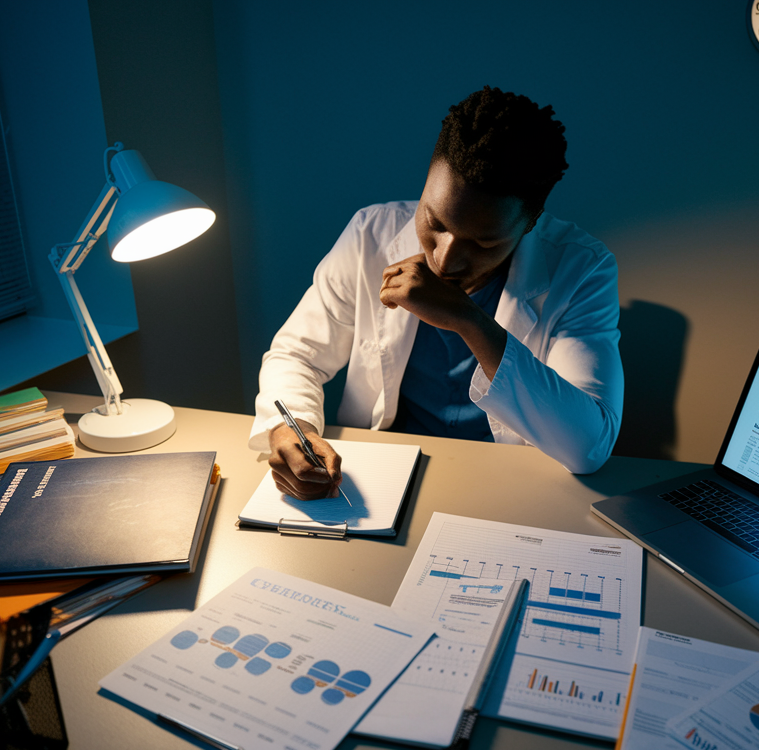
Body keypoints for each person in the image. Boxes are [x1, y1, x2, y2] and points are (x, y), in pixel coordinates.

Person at [250, 86, 623, 500]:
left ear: (530, 223)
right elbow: (298, 354)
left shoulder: (583, 269)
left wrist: (468, 320)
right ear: (426, 183)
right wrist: (291, 428)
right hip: (383, 479)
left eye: (482, 244)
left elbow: (588, 447)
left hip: (510, 485)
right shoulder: (369, 234)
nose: (445, 262)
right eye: (435, 222)